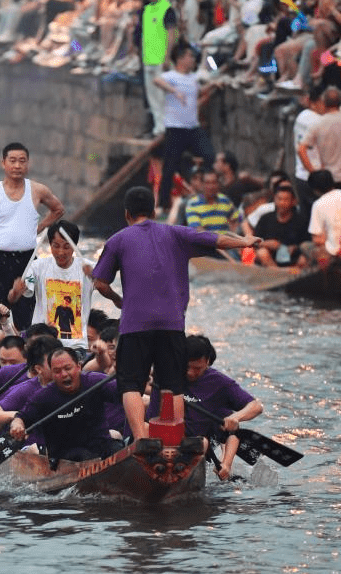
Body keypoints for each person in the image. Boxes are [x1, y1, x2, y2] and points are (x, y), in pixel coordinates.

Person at [91, 186, 261, 442]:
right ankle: (176, 440)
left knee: (131, 385)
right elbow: (216, 239)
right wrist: (245, 241)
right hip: (172, 324)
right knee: (173, 385)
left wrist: (118, 300)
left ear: (127, 214)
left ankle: (140, 441)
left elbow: (100, 283)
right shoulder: (177, 234)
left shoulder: (118, 239)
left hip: (135, 325)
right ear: (154, 210)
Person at [0, 142, 65, 330]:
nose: (17, 166)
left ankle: (25, 353)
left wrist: (37, 229)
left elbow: (58, 210)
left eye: (22, 161)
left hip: (27, 260)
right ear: (3, 163)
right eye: (12, 161)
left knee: (27, 316)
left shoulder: (38, 190)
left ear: (27, 164)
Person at [148, 335, 263, 480]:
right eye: (187, 366)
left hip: (192, 445)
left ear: (207, 362)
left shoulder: (219, 383)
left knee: (204, 442)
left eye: (197, 368)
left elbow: (256, 406)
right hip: (158, 438)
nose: (190, 372)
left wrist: (236, 417)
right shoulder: (167, 373)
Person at [9, 347, 125, 463]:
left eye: (68, 368)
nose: (64, 374)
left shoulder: (94, 381)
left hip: (102, 447)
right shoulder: (44, 397)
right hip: (66, 459)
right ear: (52, 374)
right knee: (82, 456)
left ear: (78, 367)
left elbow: (126, 393)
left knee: (119, 449)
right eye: (57, 371)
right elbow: (20, 417)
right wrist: (17, 426)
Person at [7, 219, 96, 349]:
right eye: (56, 246)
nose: (61, 252)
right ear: (50, 244)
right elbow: (12, 299)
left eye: (66, 247)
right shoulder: (37, 267)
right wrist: (15, 291)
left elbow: (107, 290)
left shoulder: (89, 268)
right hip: (42, 344)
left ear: (75, 246)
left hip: (75, 346)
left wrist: (96, 278)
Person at [153, 45, 218, 210]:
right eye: (189, 56)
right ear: (180, 59)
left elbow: (197, 95)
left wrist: (213, 87)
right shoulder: (171, 76)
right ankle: (162, 204)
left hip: (192, 127)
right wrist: (175, 91)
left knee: (209, 155)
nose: (193, 60)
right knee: (169, 166)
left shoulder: (193, 78)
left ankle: (205, 189)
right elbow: (157, 80)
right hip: (175, 128)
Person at [297, 86, 341, 195]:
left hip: (330, 180)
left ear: (324, 102)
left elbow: (301, 149)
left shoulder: (318, 124)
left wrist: (314, 173)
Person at [139, 0, 179, 139]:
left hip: (162, 59)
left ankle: (167, 126)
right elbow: (144, 34)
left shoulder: (167, 9)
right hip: (148, 58)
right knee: (152, 96)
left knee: (163, 95)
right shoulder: (147, 10)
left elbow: (172, 34)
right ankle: (158, 127)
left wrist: (167, 56)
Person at [185, 170, 241, 236]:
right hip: (205, 243)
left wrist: (234, 234)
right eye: (207, 183)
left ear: (218, 184)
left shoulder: (225, 200)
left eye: (214, 182)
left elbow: (237, 219)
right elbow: (197, 230)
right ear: (202, 184)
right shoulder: (193, 204)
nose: (211, 186)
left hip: (227, 243)